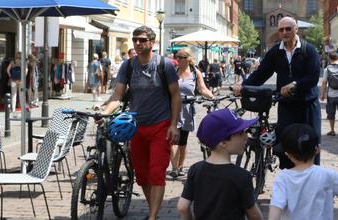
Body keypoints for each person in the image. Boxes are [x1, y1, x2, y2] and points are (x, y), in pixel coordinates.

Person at [97, 26, 180, 220]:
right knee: (142, 176)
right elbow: (117, 95)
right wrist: (105, 112)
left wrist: (174, 124)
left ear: (152, 42)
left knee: (156, 172)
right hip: (136, 127)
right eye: (135, 39)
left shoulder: (164, 65)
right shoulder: (128, 66)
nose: (137, 43)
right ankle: (153, 212)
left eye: (142, 40)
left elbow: (176, 95)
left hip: (160, 125)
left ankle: (152, 217)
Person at [233, 16, 322, 167]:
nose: (284, 32)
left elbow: (313, 77)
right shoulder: (276, 51)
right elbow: (261, 73)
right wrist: (243, 86)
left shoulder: (309, 50)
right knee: (285, 144)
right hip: (287, 106)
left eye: (288, 29)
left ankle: (312, 175)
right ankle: (288, 175)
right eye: (281, 30)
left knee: (311, 144)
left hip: (308, 106)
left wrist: (295, 84)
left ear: (296, 29)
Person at [178, 108, 262, 220]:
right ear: (223, 142)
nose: (246, 136)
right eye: (240, 133)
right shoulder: (242, 176)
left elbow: (182, 207)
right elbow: (254, 215)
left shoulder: (195, 169)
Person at [168, 49, 214, 179]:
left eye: (181, 57)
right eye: (177, 57)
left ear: (188, 59)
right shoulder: (173, 72)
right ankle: (174, 168)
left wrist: (212, 97)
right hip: (173, 108)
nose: (178, 59)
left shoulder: (195, 72)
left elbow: (202, 88)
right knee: (174, 139)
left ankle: (180, 166)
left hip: (188, 109)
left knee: (183, 140)